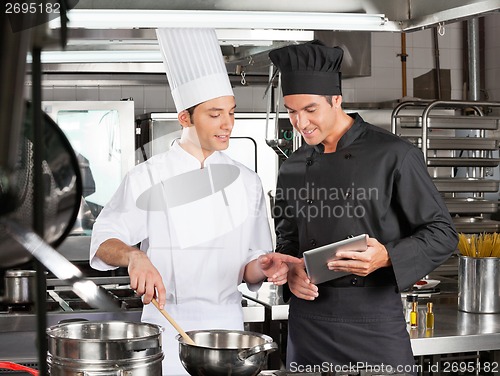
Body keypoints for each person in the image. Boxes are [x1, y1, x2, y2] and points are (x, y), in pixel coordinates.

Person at [90, 28, 300, 376]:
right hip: (166, 329)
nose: (228, 124)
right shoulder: (149, 177)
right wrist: (133, 255)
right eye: (214, 114)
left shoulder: (247, 181)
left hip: (228, 333)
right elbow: (104, 240)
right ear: (184, 118)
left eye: (231, 113)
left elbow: (251, 263)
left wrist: (265, 267)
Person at [269, 40, 458, 375]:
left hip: (372, 325)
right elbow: (288, 241)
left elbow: (443, 234)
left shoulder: (394, 155)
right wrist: (292, 273)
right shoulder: (292, 166)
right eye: (291, 111)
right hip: (308, 325)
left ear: (336, 100)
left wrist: (386, 255)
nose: (300, 123)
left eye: (310, 110)